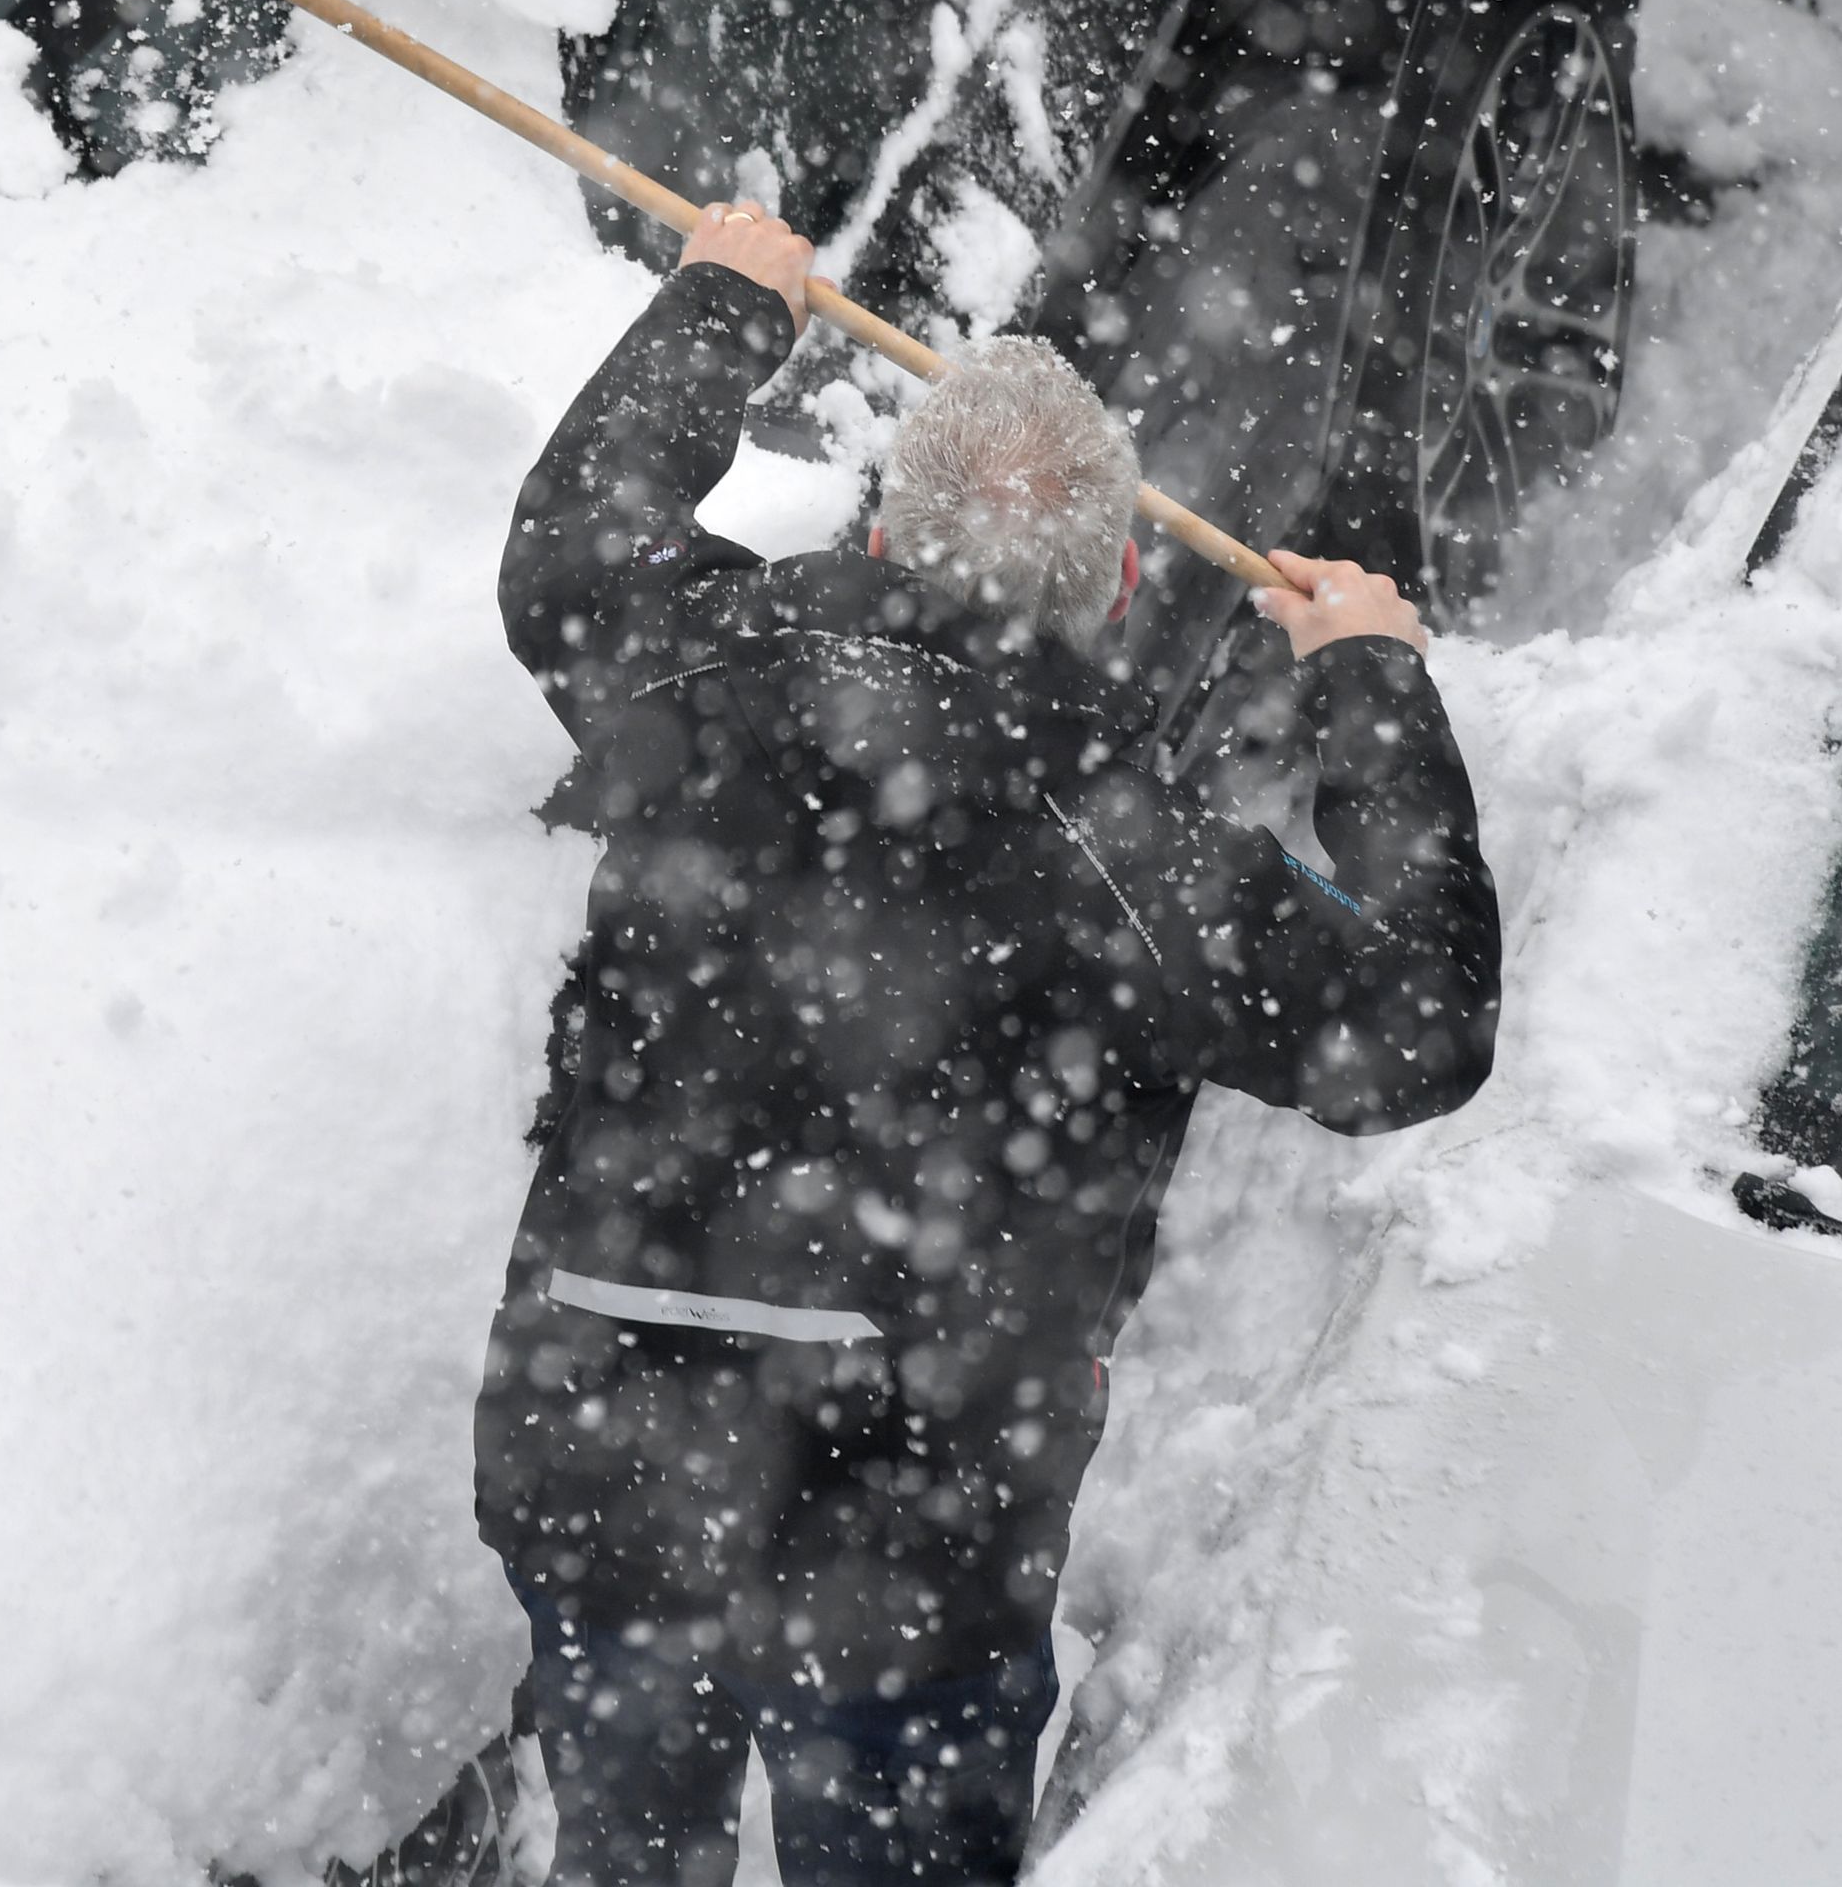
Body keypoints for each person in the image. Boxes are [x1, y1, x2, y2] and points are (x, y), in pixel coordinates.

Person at [470, 200, 1502, 1887]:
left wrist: (727, 304)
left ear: (880, 527)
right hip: (911, 1529)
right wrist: (1371, 681)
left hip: (605, 1448)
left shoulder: (703, 656)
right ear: (1110, 580)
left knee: (624, 1852)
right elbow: (1422, 1031)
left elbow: (572, 543)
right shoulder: (1145, 858)